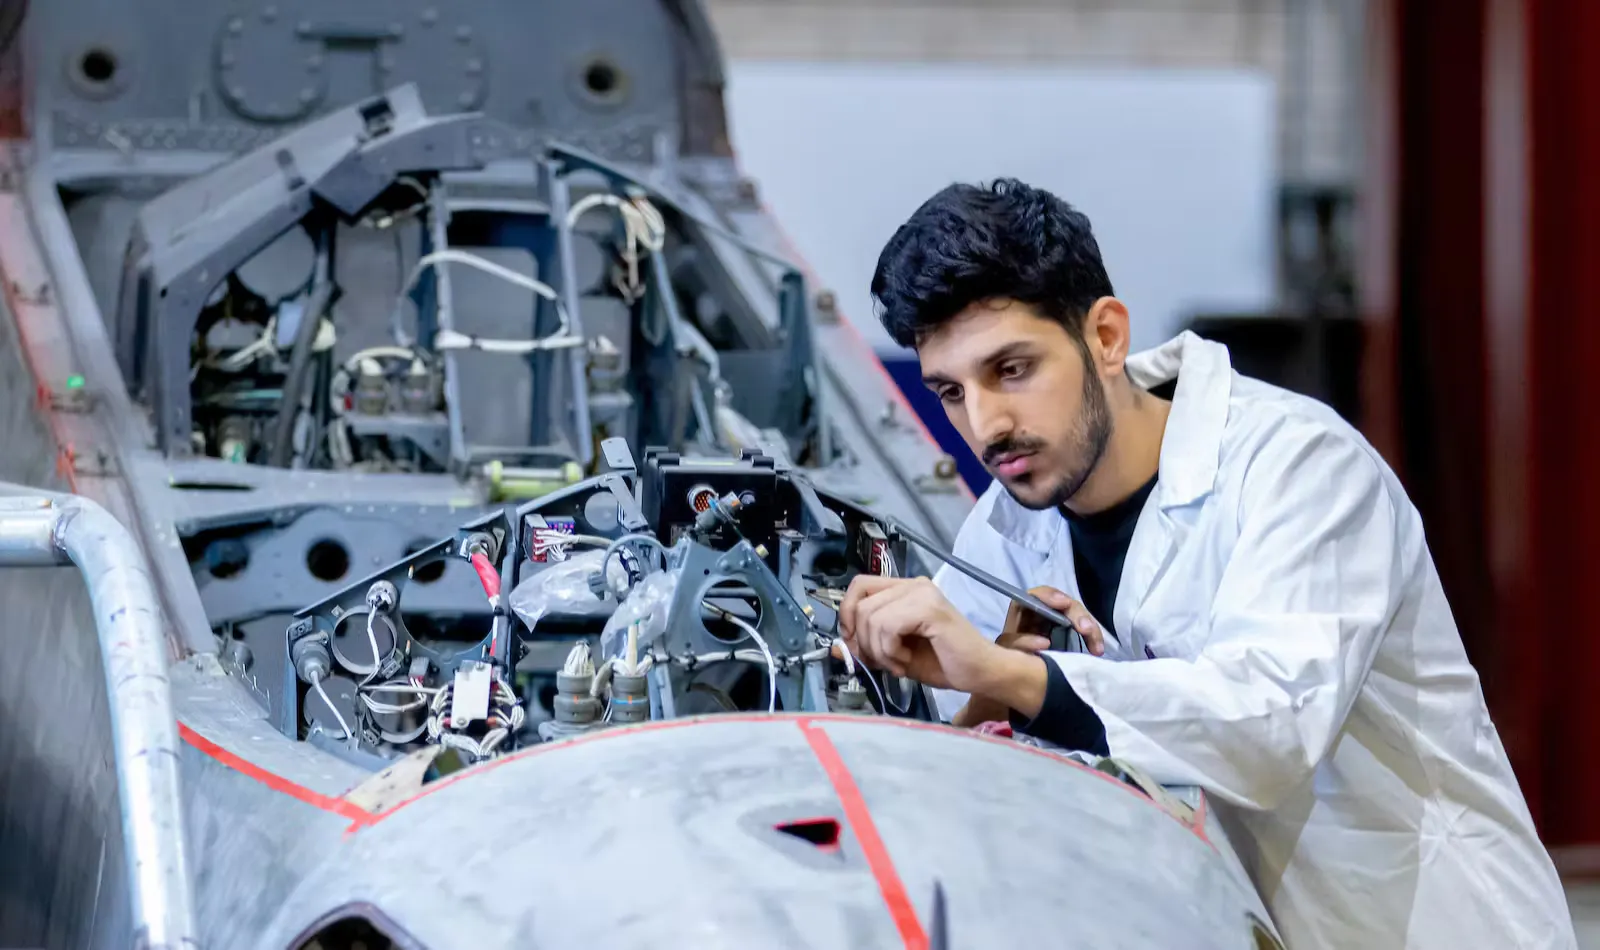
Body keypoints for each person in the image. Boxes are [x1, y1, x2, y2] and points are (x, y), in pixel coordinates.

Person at [839, 178, 1575, 949]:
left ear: (1106, 337)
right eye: (950, 392)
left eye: (1012, 369)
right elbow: (973, 750)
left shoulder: (1300, 466)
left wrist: (1014, 675)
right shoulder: (1006, 526)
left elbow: (1269, 728)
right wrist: (977, 700)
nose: (985, 425)